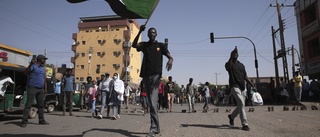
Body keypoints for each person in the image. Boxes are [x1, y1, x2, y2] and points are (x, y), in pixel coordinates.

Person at [132, 25, 173, 137]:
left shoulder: (161, 46)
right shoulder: (145, 45)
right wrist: (139, 31)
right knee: (151, 102)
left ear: (156, 34)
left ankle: (153, 128)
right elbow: (134, 44)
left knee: (153, 103)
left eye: (154, 32)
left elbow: (170, 56)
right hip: (146, 76)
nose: (152, 34)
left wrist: (170, 60)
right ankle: (157, 127)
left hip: (155, 77)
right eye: (150, 32)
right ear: (148, 34)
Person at [225, 47, 255, 131]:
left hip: (243, 87)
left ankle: (231, 117)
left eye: (236, 53)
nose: (235, 54)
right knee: (241, 103)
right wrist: (231, 56)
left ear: (238, 55)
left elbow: (245, 76)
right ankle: (244, 124)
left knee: (241, 105)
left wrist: (252, 84)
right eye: (234, 53)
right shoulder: (229, 64)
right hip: (234, 87)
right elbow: (228, 66)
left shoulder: (241, 65)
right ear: (231, 55)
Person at [21, 54, 49, 128]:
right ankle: (24, 121)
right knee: (28, 105)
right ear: (40, 59)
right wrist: (30, 64)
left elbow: (44, 79)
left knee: (41, 105)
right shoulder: (33, 66)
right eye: (44, 59)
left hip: (40, 89)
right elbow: (25, 73)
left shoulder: (43, 68)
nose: (45, 61)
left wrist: (45, 88)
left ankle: (41, 120)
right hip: (32, 88)